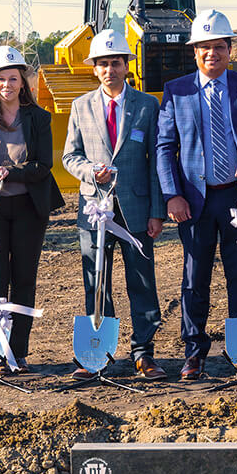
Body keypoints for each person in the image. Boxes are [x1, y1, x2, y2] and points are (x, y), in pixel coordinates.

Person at [157, 9, 237, 379]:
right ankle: (194, 353)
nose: (212, 53)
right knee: (195, 279)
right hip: (195, 201)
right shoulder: (177, 91)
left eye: (219, 46)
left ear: (230, 49)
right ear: (194, 51)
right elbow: (165, 147)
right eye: (205, 47)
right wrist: (172, 195)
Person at [61, 29, 167, 380]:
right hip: (94, 210)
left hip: (136, 209)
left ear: (126, 66)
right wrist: (91, 172)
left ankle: (143, 353)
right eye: (103, 64)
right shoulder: (80, 106)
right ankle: (97, 353)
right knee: (96, 282)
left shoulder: (147, 106)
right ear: (94, 69)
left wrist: (157, 212)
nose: (110, 69)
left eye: (116, 63)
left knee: (142, 283)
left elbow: (156, 161)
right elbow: (70, 156)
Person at [0, 45, 64, 374]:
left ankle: (17, 352)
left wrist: (10, 172)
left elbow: (43, 165)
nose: (7, 85)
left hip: (28, 208)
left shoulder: (39, 118)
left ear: (23, 82)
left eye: (13, 78)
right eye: (1, 79)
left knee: (23, 278)